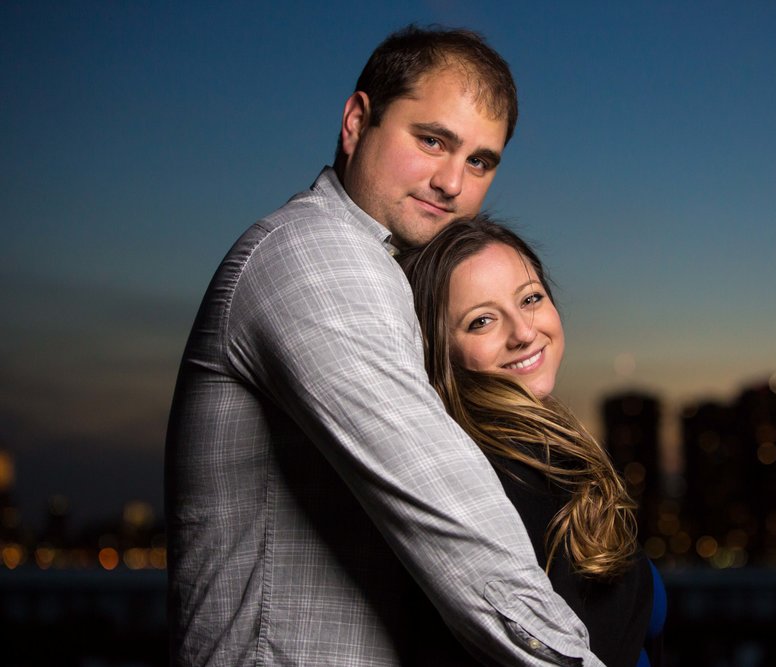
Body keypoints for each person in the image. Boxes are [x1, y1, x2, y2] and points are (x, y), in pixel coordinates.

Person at [164, 26, 608, 666]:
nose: (453, 183)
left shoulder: (388, 278)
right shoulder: (316, 255)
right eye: (432, 141)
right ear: (356, 122)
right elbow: (453, 518)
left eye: (480, 161)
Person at [397, 216, 667, 666]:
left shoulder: (550, 454)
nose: (523, 332)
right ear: (438, 349)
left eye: (530, 299)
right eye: (481, 321)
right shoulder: (504, 476)